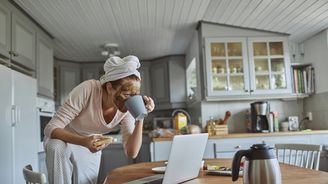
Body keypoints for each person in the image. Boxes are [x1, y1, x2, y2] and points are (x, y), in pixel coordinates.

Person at [44, 55, 155, 184]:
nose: (131, 99)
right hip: (65, 137)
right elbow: (50, 128)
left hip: (91, 144)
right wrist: (84, 141)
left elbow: (132, 152)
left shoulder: (127, 106)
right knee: (55, 146)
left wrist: (141, 115)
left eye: (135, 95)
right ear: (109, 88)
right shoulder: (88, 89)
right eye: (126, 94)